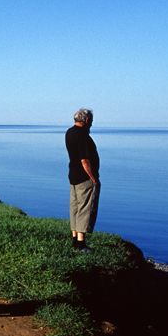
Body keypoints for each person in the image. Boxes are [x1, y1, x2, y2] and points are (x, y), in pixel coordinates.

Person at [65, 108, 100, 252]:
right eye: (91, 121)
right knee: (85, 209)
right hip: (84, 177)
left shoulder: (70, 132)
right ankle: (81, 244)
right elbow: (85, 160)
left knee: (75, 208)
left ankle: (75, 241)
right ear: (86, 120)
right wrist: (94, 179)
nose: (91, 124)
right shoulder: (82, 135)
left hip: (73, 175)